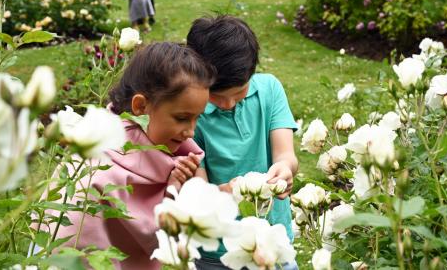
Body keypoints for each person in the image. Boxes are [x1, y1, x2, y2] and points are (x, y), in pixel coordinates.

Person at [41, 43, 215, 270]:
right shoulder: (98, 169)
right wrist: (171, 196)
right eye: (182, 118)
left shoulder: (174, 153)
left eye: (197, 118)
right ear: (141, 106)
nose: (191, 131)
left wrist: (176, 189)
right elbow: (73, 250)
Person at [187, 15, 299, 270]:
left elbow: (286, 155)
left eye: (239, 93)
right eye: (216, 96)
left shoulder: (270, 90)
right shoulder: (191, 117)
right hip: (218, 253)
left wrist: (285, 170)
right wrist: (230, 192)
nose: (228, 103)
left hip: (274, 241)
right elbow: (198, 191)